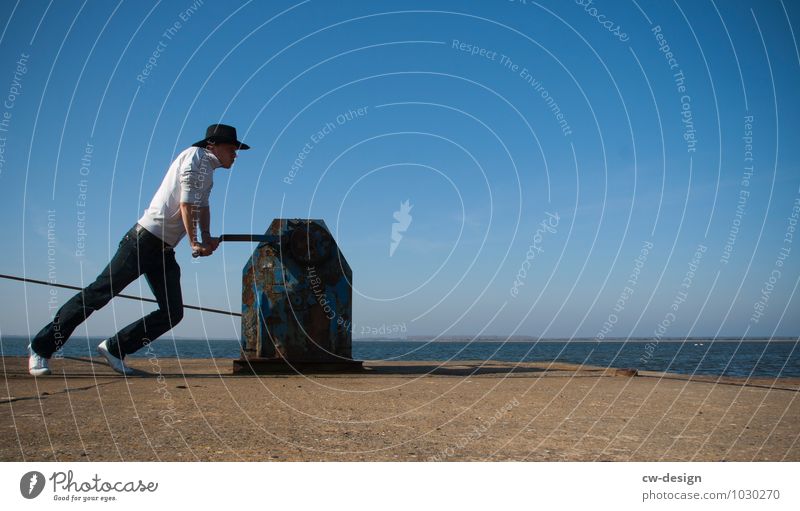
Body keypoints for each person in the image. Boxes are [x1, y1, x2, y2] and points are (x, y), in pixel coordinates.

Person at [28, 124, 250, 376]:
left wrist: (207, 237)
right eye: (232, 149)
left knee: (172, 313)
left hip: (163, 250)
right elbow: (186, 205)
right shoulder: (195, 157)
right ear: (213, 146)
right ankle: (40, 347)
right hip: (142, 242)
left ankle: (114, 348)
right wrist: (194, 242)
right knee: (98, 294)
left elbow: (203, 207)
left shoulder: (208, 170)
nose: (235, 154)